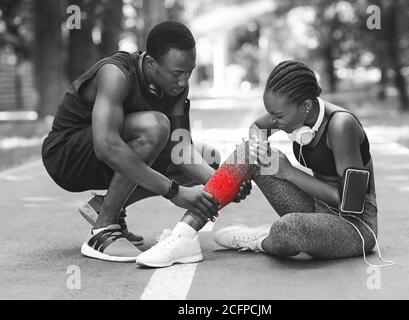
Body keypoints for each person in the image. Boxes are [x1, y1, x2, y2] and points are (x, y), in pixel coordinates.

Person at [41, 21, 250, 263]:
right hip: (68, 157)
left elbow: (180, 149)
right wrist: (174, 191)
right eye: (177, 73)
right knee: (156, 126)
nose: (184, 82)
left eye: (189, 72)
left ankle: (104, 206)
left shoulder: (176, 87)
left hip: (112, 153)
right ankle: (103, 230)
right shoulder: (115, 75)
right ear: (151, 62)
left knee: (210, 157)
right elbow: (106, 146)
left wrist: (222, 184)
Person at [213, 61, 379, 261]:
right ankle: (187, 229)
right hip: (317, 207)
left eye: (278, 116)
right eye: (271, 114)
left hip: (354, 226)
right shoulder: (294, 113)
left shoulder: (341, 126)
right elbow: (257, 126)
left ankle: (261, 240)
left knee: (289, 228)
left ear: (306, 106)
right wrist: (259, 148)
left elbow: (351, 203)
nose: (273, 121)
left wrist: (289, 172)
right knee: (247, 151)